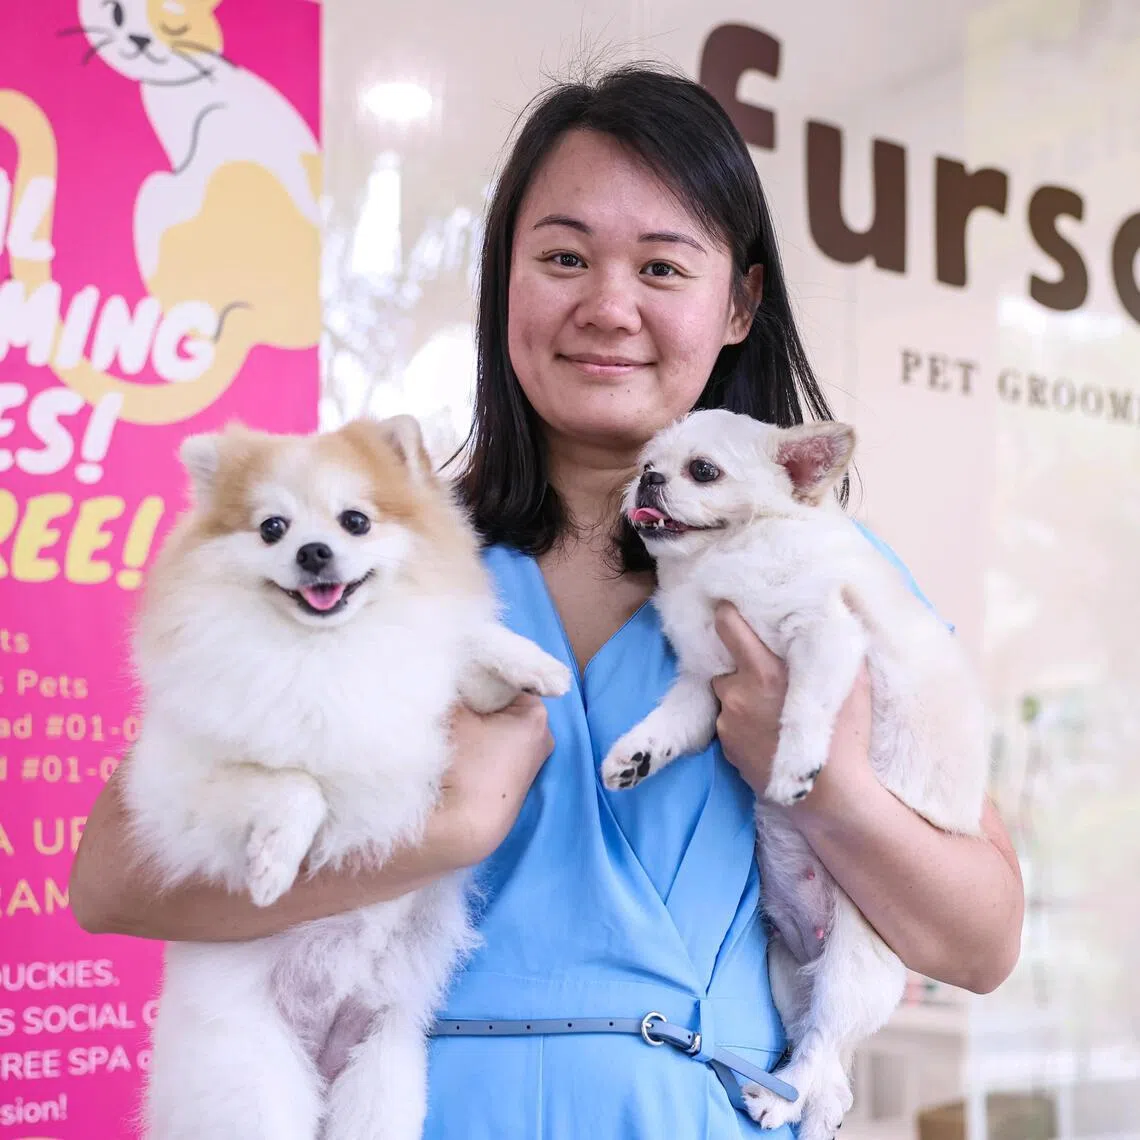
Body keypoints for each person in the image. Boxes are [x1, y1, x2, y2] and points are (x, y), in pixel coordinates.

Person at [70, 64, 1024, 1138]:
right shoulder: (382, 559)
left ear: (740, 303)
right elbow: (112, 880)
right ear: (505, 282)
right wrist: (447, 830)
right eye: (563, 257)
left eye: (663, 266)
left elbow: (981, 944)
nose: (608, 308)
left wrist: (830, 787)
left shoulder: (824, 576)